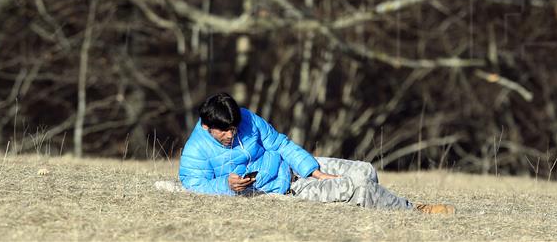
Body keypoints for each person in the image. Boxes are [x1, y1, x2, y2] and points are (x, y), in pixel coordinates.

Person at [178, 92, 455, 214]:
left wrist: (312, 169)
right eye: (225, 131)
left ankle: (377, 208)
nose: (232, 134)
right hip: (284, 189)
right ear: (206, 126)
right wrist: (226, 185)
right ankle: (415, 211)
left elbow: (280, 143)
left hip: (295, 168)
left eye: (235, 128)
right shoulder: (195, 150)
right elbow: (193, 184)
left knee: (365, 171)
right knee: (356, 188)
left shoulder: (248, 119)